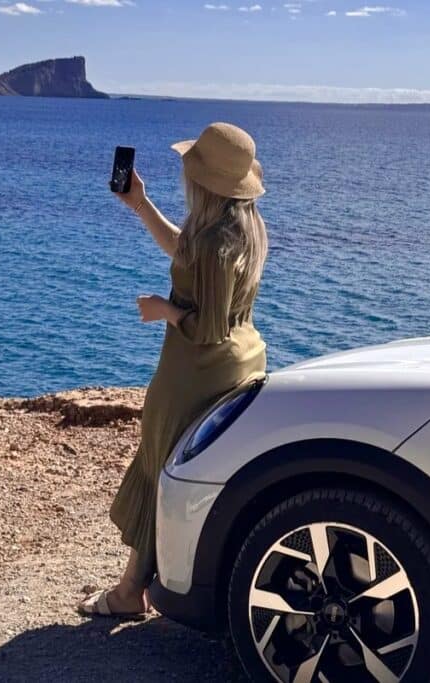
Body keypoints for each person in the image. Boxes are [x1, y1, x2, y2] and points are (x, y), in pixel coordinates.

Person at [79, 122, 268, 617]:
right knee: (173, 465)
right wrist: (140, 204)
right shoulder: (239, 226)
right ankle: (138, 585)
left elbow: (207, 327)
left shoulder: (215, 243)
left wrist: (164, 310)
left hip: (198, 367)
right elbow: (187, 254)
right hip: (238, 359)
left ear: (204, 181)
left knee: (160, 462)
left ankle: (128, 592)